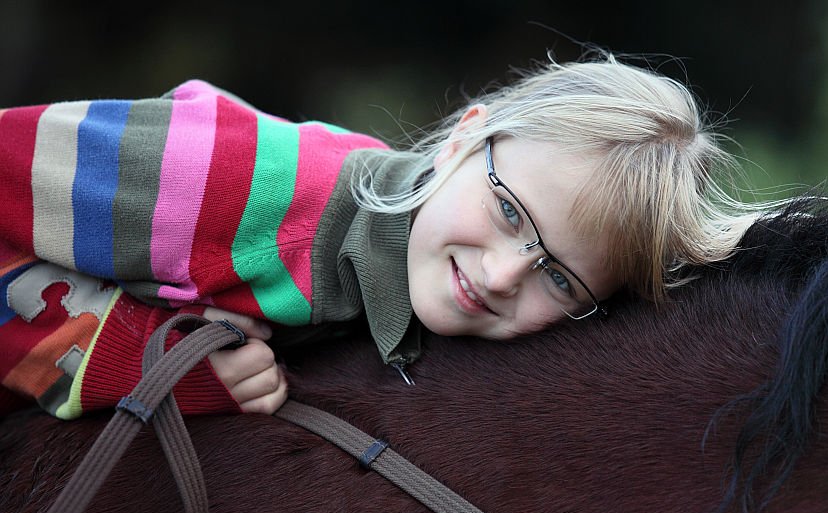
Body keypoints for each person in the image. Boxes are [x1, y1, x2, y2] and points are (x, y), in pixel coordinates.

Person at [0, 51, 754, 420]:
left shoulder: (419, 262)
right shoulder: (225, 180)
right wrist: (146, 362)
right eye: (509, 213)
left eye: (559, 278)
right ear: (463, 140)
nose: (500, 278)